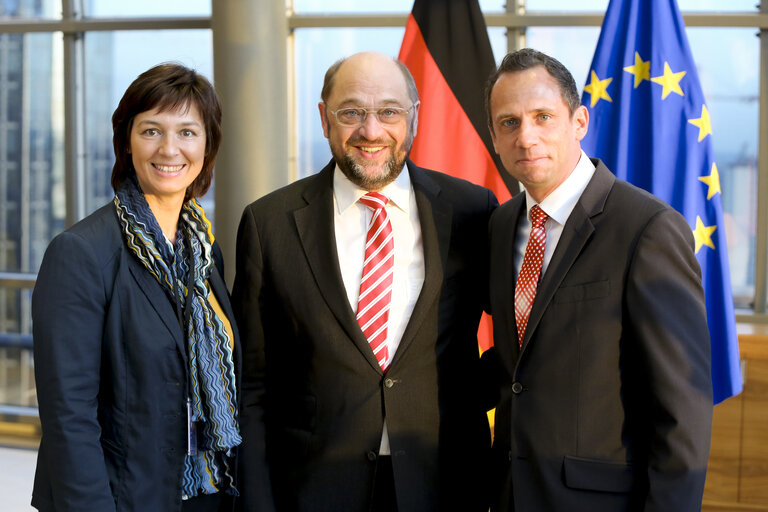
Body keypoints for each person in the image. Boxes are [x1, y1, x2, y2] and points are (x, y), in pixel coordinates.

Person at [232, 51, 497, 512]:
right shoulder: (267, 223)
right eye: (352, 112)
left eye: (389, 112)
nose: (371, 132)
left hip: (447, 483)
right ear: (324, 118)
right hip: (314, 488)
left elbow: (521, 335)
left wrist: (460, 395)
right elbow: (252, 383)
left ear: (414, 117)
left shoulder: (471, 210)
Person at [483, 47, 713, 511]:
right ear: (493, 136)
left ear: (580, 122)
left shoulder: (647, 228)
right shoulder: (501, 225)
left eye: (543, 117)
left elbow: (681, 410)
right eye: (509, 122)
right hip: (509, 495)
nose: (526, 137)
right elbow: (518, 365)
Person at [32, 63, 240, 512]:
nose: (170, 148)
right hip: (123, 498)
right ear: (127, 141)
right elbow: (69, 418)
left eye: (187, 132)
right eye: (151, 131)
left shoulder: (204, 253)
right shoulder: (80, 253)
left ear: (208, 144)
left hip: (203, 491)